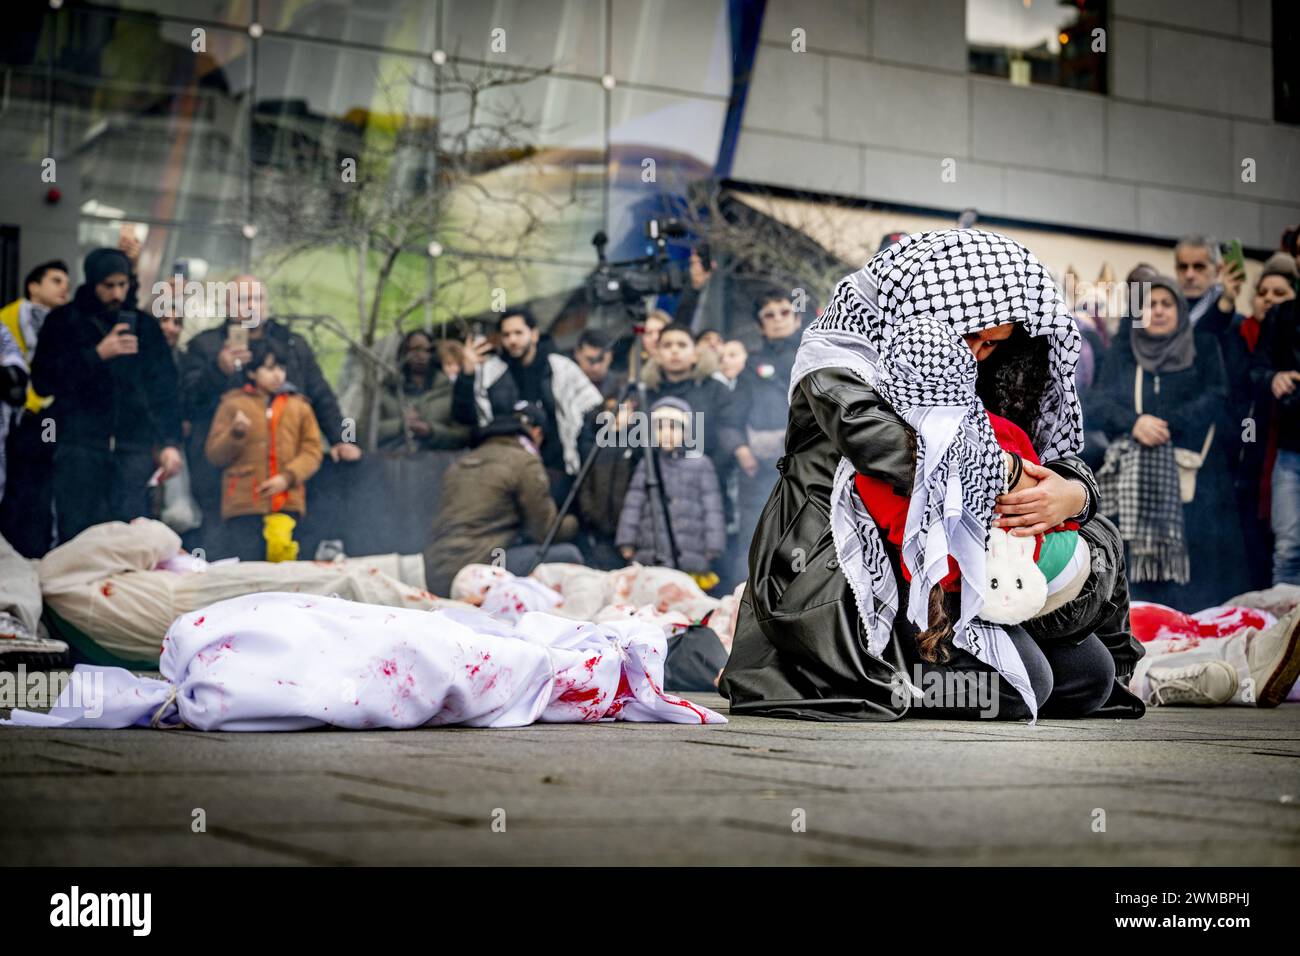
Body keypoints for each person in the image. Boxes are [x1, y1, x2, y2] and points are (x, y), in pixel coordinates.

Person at [720, 229, 1143, 723]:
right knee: (1021, 686)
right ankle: (880, 675)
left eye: (995, 343)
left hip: (968, 572)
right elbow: (897, 452)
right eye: (973, 337)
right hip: (844, 577)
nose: (981, 354)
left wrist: (1071, 495)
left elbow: (1046, 451)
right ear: (931, 311)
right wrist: (1006, 473)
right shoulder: (837, 364)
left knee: (1090, 678)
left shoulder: (989, 360)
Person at [1088, 275, 1249, 609]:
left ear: (1179, 309)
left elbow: (1217, 398)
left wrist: (1166, 425)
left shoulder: (1203, 347)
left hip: (1196, 483)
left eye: (1167, 304)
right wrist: (1135, 423)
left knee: (1195, 575)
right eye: (1150, 304)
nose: (1158, 312)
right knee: (1137, 578)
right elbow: (1098, 403)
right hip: (1134, 482)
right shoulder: (1123, 351)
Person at [180, 276, 357, 552]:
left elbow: (322, 394)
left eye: (258, 299)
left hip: (285, 469)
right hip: (222, 469)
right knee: (224, 545)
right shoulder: (205, 346)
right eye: (243, 300)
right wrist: (218, 370)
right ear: (227, 305)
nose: (252, 306)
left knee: (286, 546)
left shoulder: (291, 345)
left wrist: (343, 438)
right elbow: (185, 401)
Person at [29, 248, 182, 543]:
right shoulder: (63, 322)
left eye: (122, 285)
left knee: (128, 536)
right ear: (93, 283)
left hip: (133, 448)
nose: (116, 293)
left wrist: (169, 443)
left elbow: (164, 391)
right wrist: (97, 355)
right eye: (108, 286)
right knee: (78, 532)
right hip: (80, 446)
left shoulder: (146, 327)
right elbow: (43, 382)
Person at [424, 400, 583, 595]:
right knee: (569, 554)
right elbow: (545, 532)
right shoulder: (525, 462)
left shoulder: (463, 461)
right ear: (536, 433)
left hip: (436, 572)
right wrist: (576, 522)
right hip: (477, 569)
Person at [454, 309, 602, 499]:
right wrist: (467, 375)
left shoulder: (560, 368)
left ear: (534, 334)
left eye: (518, 333)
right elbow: (465, 418)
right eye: (506, 335)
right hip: (506, 475)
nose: (512, 340)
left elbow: (591, 408)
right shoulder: (491, 373)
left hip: (558, 471)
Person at [204, 338, 324, 561]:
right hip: (244, 506)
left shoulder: (300, 406)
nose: (277, 375)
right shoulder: (232, 404)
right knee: (250, 568)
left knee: (285, 563)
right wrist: (235, 434)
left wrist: (287, 477)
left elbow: (312, 451)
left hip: (286, 501)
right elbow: (215, 455)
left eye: (281, 368)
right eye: (269, 368)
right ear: (252, 372)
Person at [727, 290, 805, 586]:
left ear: (797, 319)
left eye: (784, 312)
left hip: (807, 468)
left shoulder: (815, 358)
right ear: (760, 325)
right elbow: (730, 417)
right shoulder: (750, 366)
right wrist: (740, 449)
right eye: (768, 315)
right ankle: (741, 607)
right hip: (760, 470)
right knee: (754, 540)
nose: (777, 320)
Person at [0, 259, 70, 557]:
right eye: (55, 280)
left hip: (45, 418)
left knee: (44, 469)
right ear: (33, 285)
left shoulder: (65, 323)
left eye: (66, 282)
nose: (63, 287)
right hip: (14, 417)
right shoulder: (8, 321)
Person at [616, 397, 725, 578]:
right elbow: (633, 504)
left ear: (686, 431)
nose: (666, 434)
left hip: (690, 551)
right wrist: (627, 540)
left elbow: (712, 508)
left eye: (673, 428)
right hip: (652, 550)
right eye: (660, 428)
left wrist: (713, 545)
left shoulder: (701, 464)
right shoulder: (648, 464)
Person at [1252, 294, 1300, 586]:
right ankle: (1288, 629)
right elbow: (1255, 371)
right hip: (1291, 450)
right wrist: (1273, 378)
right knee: (1288, 549)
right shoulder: (1282, 315)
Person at [376, 330, 471, 452]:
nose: (421, 355)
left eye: (427, 351)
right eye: (415, 349)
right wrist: (400, 425)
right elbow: (364, 432)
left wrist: (431, 431)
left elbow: (465, 435)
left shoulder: (449, 391)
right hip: (391, 463)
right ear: (403, 353)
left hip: (439, 464)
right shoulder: (387, 391)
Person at [572, 327, 626, 402]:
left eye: (601, 360)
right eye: (590, 360)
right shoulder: (566, 387)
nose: (595, 368)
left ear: (611, 356)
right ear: (577, 354)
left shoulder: (623, 388)